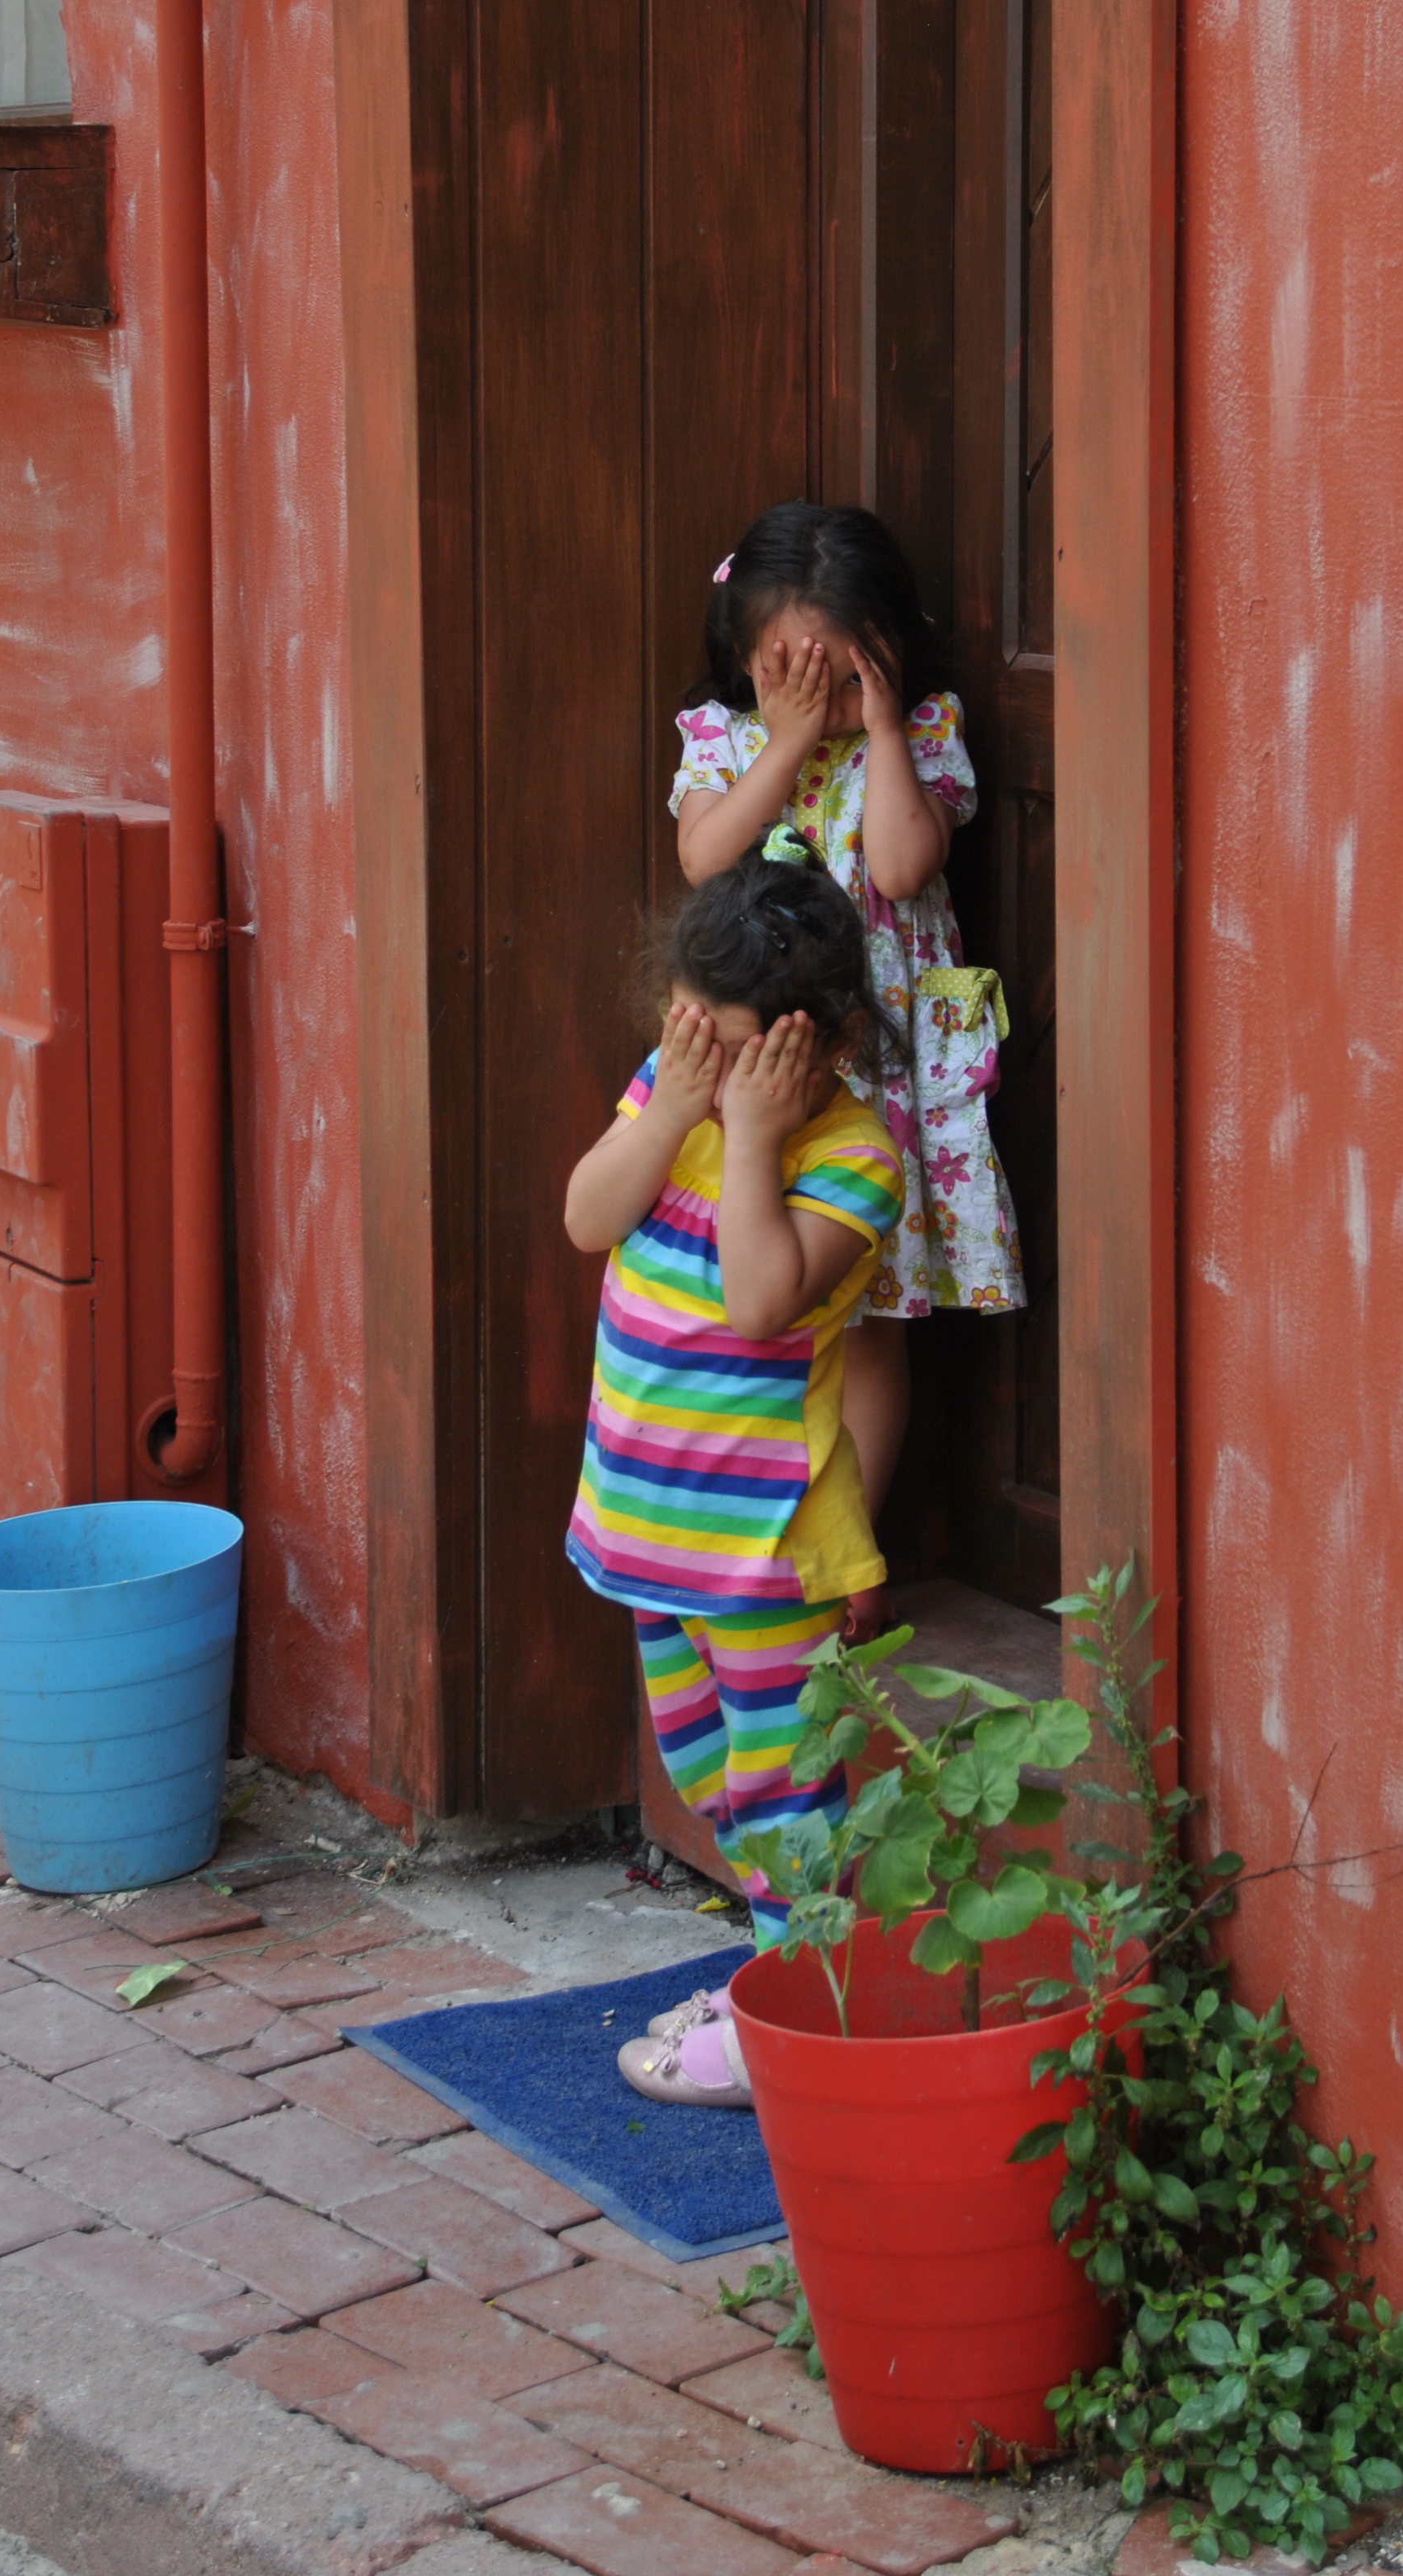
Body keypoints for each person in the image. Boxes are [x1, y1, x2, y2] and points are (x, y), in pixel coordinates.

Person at [564, 831, 905, 2106]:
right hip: (652, 1531)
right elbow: (590, 1217)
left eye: (732, 1041)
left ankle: (796, 2024)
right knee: (710, 1778)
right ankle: (779, 1987)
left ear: (818, 1044)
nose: (699, 1055)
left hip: (768, 1557)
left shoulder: (853, 1160)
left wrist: (752, 1133)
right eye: (686, 1027)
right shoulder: (675, 1089)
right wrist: (684, 1106)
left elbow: (763, 1301)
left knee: (786, 1794)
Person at [671, 501, 1023, 1520]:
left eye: (838, 670)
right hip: (762, 1066)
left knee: (870, 1319)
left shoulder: (918, 735)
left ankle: (851, 1549)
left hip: (879, 1071)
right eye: (791, 671)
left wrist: (878, 726)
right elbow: (705, 862)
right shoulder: (723, 740)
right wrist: (781, 744)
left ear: (885, 651)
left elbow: (905, 866)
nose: (815, 693)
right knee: (757, 1295)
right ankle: (748, 1531)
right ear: (746, 659)